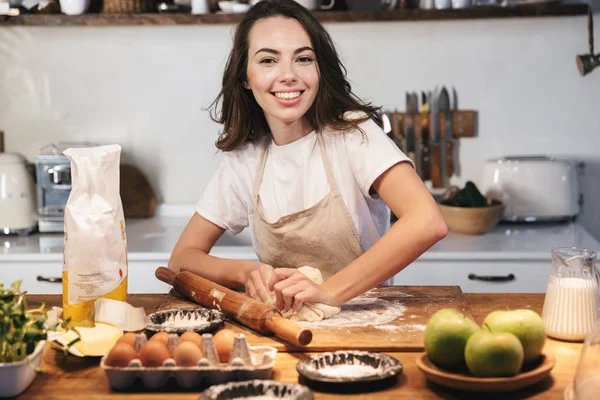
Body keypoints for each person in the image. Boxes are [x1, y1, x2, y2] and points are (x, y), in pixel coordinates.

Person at [168, 0, 447, 315]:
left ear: (319, 70)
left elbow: (427, 222)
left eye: (303, 58)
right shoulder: (245, 159)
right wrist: (244, 272)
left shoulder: (352, 133)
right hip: (286, 330)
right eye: (268, 60)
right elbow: (181, 260)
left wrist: (328, 291)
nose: (288, 75)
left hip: (368, 322)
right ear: (245, 78)